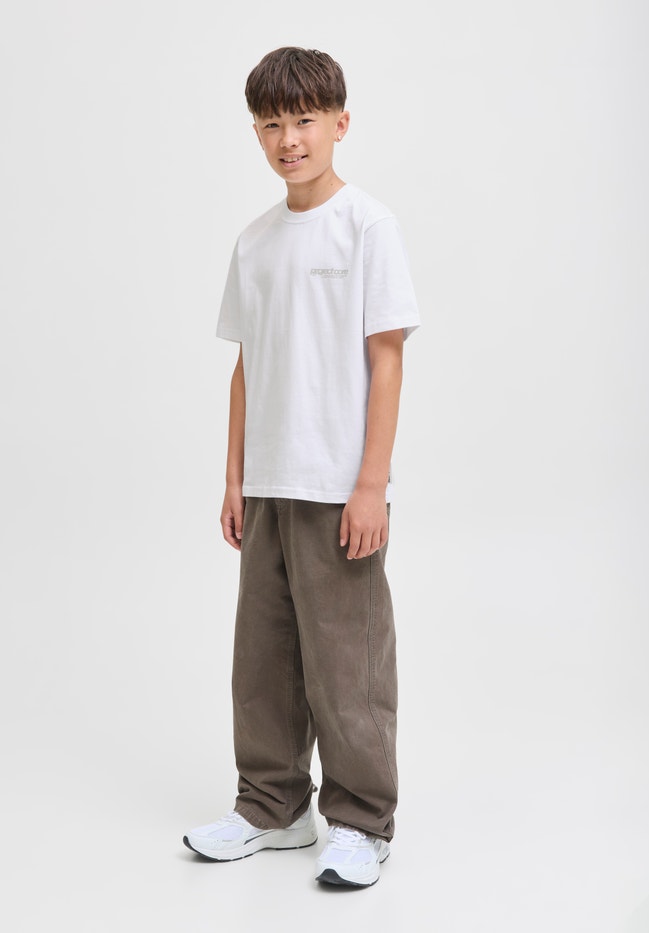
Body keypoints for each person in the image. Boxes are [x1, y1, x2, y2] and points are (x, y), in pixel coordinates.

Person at [183, 46, 420, 888]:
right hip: (269, 483)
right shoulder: (254, 242)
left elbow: (386, 357)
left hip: (337, 484)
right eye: (272, 124)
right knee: (264, 656)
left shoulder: (367, 226)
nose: (289, 139)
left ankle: (363, 820)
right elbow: (246, 365)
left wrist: (371, 484)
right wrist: (234, 477)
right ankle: (272, 806)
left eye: (305, 121)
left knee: (347, 658)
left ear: (340, 124)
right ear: (256, 133)